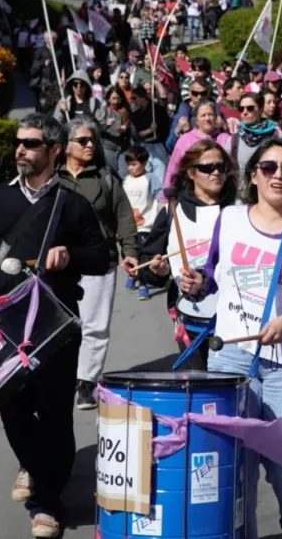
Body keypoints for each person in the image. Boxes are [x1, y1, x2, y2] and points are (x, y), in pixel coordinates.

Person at [0, 113, 109, 538]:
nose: (20, 150)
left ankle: (46, 502)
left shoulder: (73, 203)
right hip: (5, 322)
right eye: (18, 142)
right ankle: (33, 464)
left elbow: (100, 256)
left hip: (55, 323)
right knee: (14, 407)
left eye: (30, 143)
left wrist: (70, 255)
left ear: (54, 150)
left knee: (57, 414)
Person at [180, 138, 282, 539]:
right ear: (253, 175)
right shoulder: (229, 219)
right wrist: (197, 283)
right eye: (269, 167)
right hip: (230, 357)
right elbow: (211, 276)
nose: (278, 175)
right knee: (234, 464)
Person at [57, 117, 139, 409]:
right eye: (82, 140)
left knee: (95, 327)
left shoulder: (105, 177)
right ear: (65, 146)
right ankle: (58, 378)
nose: (91, 144)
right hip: (59, 265)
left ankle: (86, 383)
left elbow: (124, 216)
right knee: (61, 325)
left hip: (99, 262)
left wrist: (130, 250)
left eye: (92, 140)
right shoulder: (53, 178)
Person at [141, 140, 238, 368]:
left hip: (235, 318)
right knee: (199, 390)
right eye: (207, 167)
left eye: (221, 167)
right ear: (191, 173)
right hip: (190, 318)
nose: (216, 172)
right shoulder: (171, 211)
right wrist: (157, 270)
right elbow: (149, 262)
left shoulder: (240, 209)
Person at [122, 145, 162, 300]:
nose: (131, 168)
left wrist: (163, 209)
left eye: (134, 164)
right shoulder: (125, 181)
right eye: (129, 165)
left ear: (144, 163)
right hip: (129, 226)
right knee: (130, 253)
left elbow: (159, 195)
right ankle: (132, 275)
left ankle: (143, 284)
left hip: (146, 225)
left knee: (143, 255)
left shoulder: (150, 179)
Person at [164, 100, 229, 189]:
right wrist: (166, 196)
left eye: (210, 114)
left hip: (221, 190)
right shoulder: (185, 140)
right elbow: (173, 169)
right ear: (196, 120)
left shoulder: (225, 138)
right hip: (191, 192)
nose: (207, 118)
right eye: (203, 115)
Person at [224, 92, 282, 174]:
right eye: (241, 109)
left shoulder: (276, 134)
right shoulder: (234, 139)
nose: (245, 112)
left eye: (250, 108)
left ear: (261, 109)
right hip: (242, 186)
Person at [101, 86, 130, 176]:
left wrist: (126, 129)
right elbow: (96, 129)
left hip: (123, 149)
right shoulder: (103, 111)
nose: (116, 101)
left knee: (124, 175)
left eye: (118, 99)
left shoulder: (125, 111)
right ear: (108, 99)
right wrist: (106, 124)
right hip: (108, 148)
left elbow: (132, 130)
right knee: (110, 176)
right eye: (113, 98)